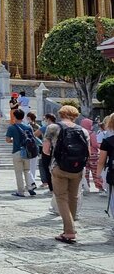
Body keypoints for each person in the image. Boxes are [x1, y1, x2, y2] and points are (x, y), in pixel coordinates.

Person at [43, 105, 90, 244]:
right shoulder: (83, 130)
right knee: (73, 197)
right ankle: (69, 226)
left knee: (61, 198)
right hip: (77, 168)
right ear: (75, 115)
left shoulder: (53, 128)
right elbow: (88, 152)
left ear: (61, 114)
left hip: (59, 167)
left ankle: (69, 232)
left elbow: (46, 150)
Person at [6, 109, 36, 197]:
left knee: (18, 172)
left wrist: (14, 140)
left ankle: (21, 191)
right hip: (27, 151)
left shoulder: (12, 127)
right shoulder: (28, 127)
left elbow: (8, 140)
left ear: (14, 116)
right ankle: (30, 187)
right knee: (27, 170)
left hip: (17, 151)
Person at [96, 115, 114, 225]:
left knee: (113, 199)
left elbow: (101, 161)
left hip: (113, 173)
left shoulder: (108, 141)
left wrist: (98, 175)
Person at [81, 118, 105, 195]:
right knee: (95, 171)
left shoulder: (80, 132)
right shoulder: (91, 133)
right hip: (93, 154)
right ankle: (99, 186)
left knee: (86, 172)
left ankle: (86, 187)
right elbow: (95, 144)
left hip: (83, 155)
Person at [35, 113, 57, 191]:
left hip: (47, 149)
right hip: (57, 150)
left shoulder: (45, 128)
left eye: (45, 119)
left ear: (48, 119)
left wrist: (41, 142)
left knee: (45, 167)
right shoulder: (59, 127)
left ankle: (47, 183)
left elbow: (35, 135)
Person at [26, 112, 42, 189]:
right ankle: (32, 181)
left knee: (28, 167)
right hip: (36, 147)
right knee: (33, 166)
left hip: (29, 147)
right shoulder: (38, 126)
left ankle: (31, 182)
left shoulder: (28, 126)